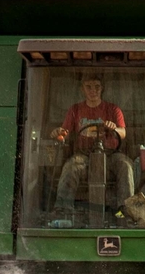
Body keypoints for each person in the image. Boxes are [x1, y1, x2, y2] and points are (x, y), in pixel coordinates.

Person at [51, 76, 136, 218]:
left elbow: (123, 132)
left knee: (126, 165)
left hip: (110, 155)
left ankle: (125, 212)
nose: (93, 90)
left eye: (97, 86)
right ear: (82, 89)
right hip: (84, 156)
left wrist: (113, 128)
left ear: (102, 89)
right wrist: (57, 133)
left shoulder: (113, 109)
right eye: (88, 87)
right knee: (71, 166)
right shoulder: (75, 110)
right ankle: (63, 210)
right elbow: (64, 132)